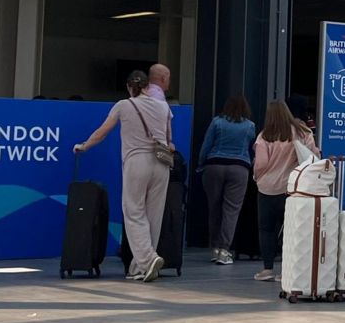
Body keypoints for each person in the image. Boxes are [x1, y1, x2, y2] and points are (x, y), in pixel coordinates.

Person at [74, 65, 176, 284]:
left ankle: (149, 258)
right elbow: (169, 140)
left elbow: (102, 132)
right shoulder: (163, 107)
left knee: (133, 212)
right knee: (153, 216)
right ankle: (140, 267)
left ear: (129, 87)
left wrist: (84, 146)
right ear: (147, 86)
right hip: (161, 162)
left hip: (136, 162)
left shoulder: (123, 105)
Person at [250, 100, 317, 284]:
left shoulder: (265, 136)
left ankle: (267, 269)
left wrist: (257, 176)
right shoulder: (303, 132)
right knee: (291, 230)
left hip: (266, 189)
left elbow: (261, 164)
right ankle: (287, 270)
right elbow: (314, 157)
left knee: (266, 229)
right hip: (292, 189)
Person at [196, 94, 255, 266]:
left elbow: (206, 145)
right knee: (231, 210)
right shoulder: (250, 126)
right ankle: (224, 249)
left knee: (214, 208)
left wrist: (201, 164)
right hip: (239, 167)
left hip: (214, 165)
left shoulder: (217, 122)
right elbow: (251, 148)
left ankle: (214, 248)